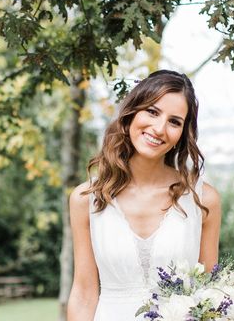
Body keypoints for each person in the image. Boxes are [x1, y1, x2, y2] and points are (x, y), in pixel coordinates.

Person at [67, 69, 221, 320]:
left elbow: (209, 292)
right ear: (132, 112)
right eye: (152, 111)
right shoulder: (86, 198)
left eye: (174, 121)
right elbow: (84, 292)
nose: (160, 128)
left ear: (183, 134)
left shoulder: (203, 199)